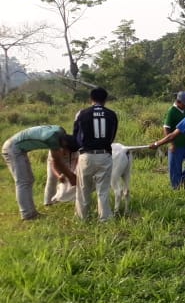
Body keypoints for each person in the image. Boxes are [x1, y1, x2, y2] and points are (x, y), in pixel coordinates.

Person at [2, 125, 79, 220]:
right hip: (13, 149)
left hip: (17, 148)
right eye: (67, 151)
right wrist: (71, 176)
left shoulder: (60, 133)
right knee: (23, 181)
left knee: (29, 180)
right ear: (64, 144)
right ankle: (28, 215)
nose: (66, 153)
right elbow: (57, 162)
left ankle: (30, 212)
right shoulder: (53, 140)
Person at [73, 87, 119, 222]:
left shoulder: (81, 114)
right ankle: (104, 218)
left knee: (83, 189)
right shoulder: (112, 114)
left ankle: (82, 218)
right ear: (105, 100)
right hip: (104, 155)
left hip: (86, 155)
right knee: (103, 190)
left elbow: (76, 135)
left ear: (91, 99)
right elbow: (112, 136)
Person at [163, 91, 185, 189]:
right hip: (176, 144)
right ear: (178, 102)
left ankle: (181, 180)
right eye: (184, 104)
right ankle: (176, 188)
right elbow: (166, 128)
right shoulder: (171, 111)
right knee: (175, 168)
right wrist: (171, 143)